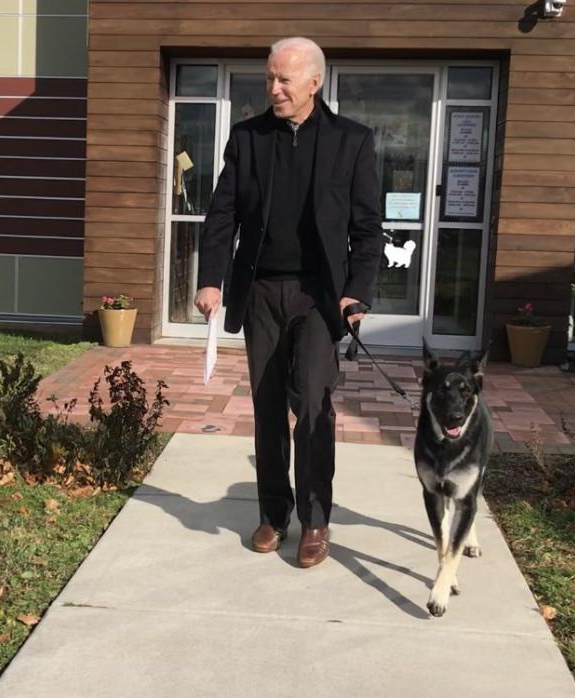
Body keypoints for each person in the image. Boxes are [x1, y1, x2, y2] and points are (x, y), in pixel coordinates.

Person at [194, 37, 384, 568]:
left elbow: (368, 229)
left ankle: (316, 519)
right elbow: (221, 216)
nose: (273, 89)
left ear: (314, 83)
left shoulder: (353, 142)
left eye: (284, 80)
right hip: (261, 291)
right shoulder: (248, 139)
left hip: (320, 296)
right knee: (268, 405)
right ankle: (274, 514)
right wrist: (212, 279)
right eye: (270, 79)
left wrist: (357, 290)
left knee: (316, 406)